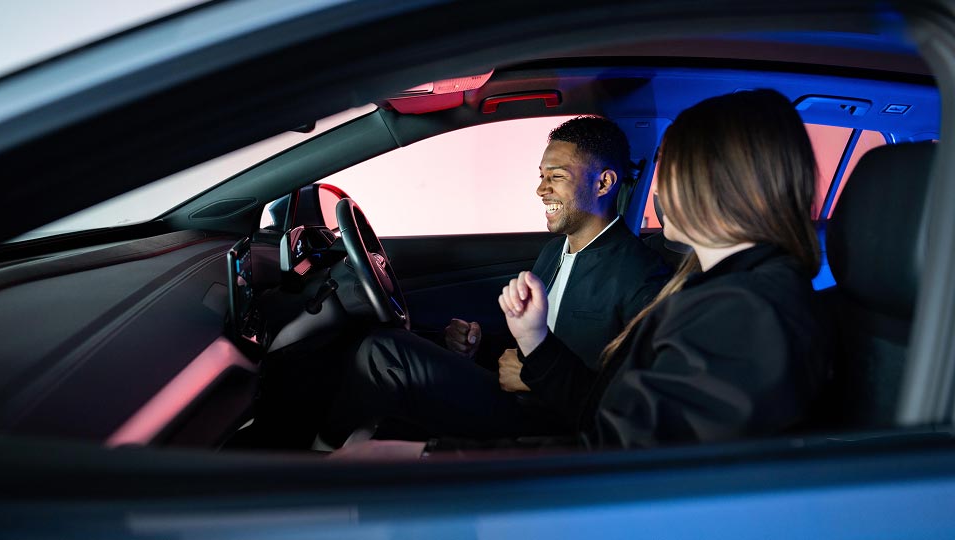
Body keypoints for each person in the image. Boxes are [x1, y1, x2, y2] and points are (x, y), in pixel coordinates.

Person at [498, 89, 831, 449]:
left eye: (668, 169)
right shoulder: (719, 289)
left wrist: (454, 461)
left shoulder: (745, 314)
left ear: (716, 181)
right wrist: (534, 340)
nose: (656, 187)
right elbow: (608, 413)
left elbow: (624, 454)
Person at [319, 116, 671, 446]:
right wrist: (477, 345)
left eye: (557, 177)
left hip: (553, 431)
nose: (541, 190)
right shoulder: (553, 252)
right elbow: (532, 340)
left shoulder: (642, 277)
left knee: (383, 355)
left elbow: (629, 407)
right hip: (517, 400)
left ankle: (316, 464)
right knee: (393, 384)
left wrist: (536, 379)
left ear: (604, 183)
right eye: (541, 176)